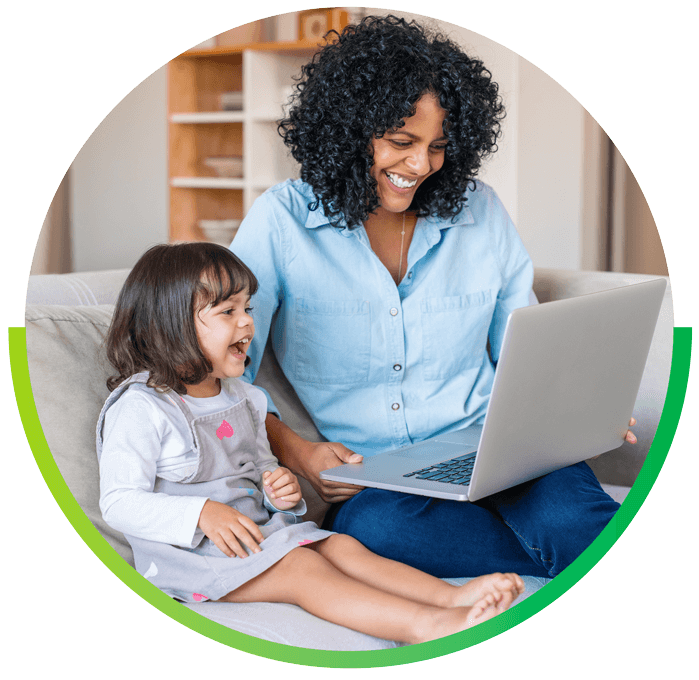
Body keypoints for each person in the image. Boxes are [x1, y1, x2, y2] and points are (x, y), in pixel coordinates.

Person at [230, 15, 636, 580]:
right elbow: (227, 372)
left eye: (438, 146)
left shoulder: (480, 210)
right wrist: (301, 455)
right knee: (374, 532)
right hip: (382, 477)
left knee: (569, 518)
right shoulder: (280, 223)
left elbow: (528, 342)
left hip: (503, 446)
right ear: (350, 130)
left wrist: (580, 414)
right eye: (401, 142)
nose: (419, 166)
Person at [96, 241, 525, 645]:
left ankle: (453, 598)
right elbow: (118, 501)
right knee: (302, 569)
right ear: (166, 327)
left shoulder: (245, 398)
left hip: (261, 536)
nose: (247, 321)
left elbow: (262, 468)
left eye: (247, 308)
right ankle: (426, 626)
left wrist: (278, 488)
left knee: (340, 546)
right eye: (227, 311)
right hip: (193, 560)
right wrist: (203, 513)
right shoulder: (143, 407)